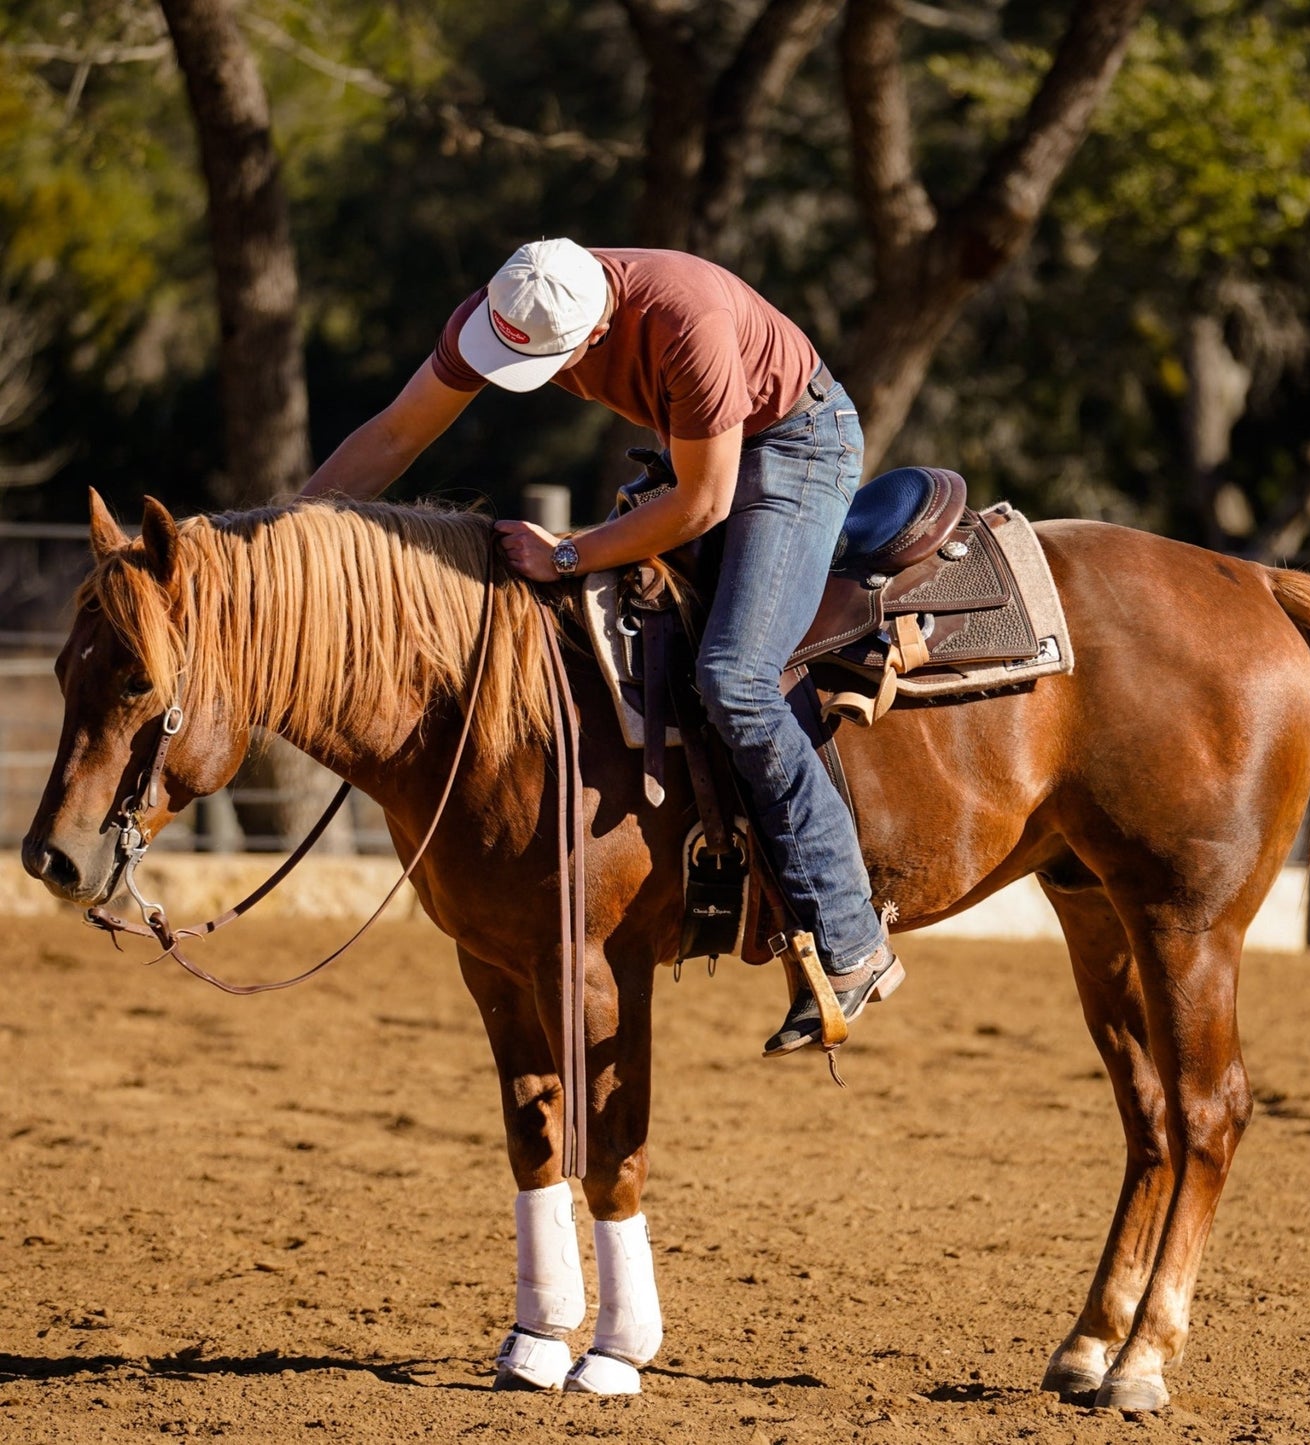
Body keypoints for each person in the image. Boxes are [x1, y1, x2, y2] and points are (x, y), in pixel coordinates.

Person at [301, 238, 903, 1054]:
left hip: (794, 445)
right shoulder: (508, 304)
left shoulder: (685, 321)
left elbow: (701, 501)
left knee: (735, 677)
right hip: (699, 443)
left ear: (590, 335)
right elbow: (397, 433)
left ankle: (849, 935)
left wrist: (567, 553)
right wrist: (284, 534)